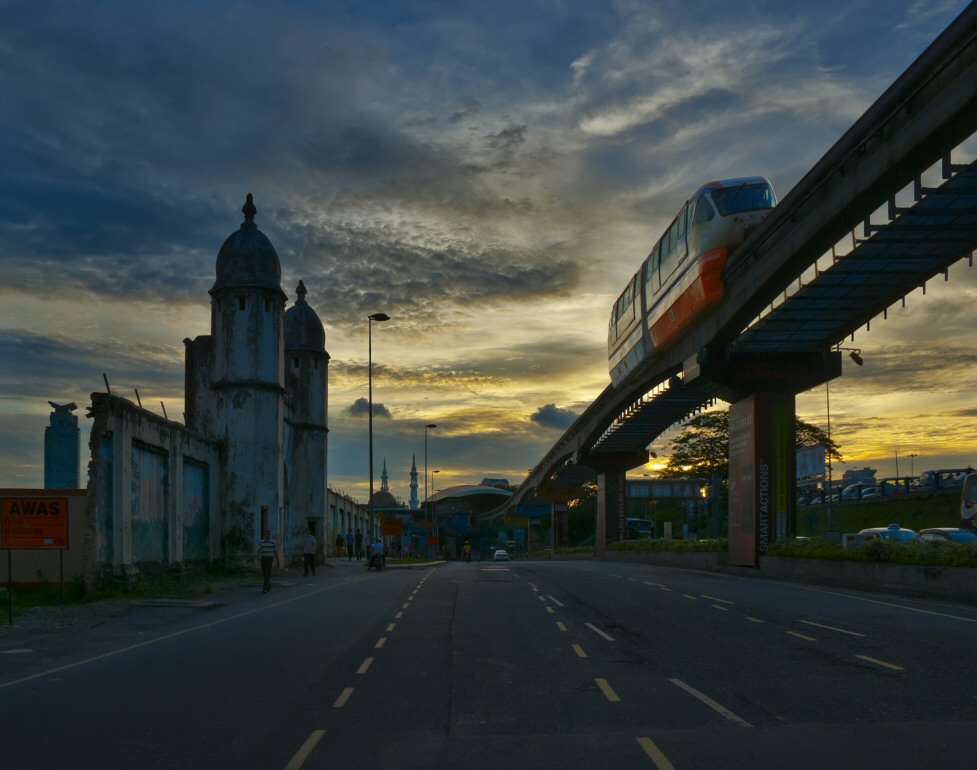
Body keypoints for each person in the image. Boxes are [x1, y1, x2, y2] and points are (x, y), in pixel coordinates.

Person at [258, 529, 277, 593]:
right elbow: (260, 550)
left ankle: (264, 588)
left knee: (267, 573)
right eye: (265, 534)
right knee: (264, 573)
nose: (267, 535)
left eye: (268, 534)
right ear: (264, 535)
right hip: (263, 558)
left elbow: (275, 551)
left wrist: (277, 560)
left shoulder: (273, 542)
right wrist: (258, 556)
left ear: (270, 534)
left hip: (269, 559)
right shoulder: (261, 542)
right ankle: (269, 584)